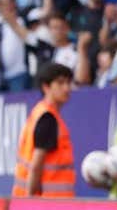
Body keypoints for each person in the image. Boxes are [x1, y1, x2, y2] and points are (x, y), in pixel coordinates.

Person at [12, 62, 75, 198]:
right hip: (48, 203)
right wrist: (29, 202)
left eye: (69, 83)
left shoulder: (40, 112)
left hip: (44, 201)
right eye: (60, 83)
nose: (67, 88)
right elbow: (36, 166)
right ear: (46, 87)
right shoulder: (48, 118)